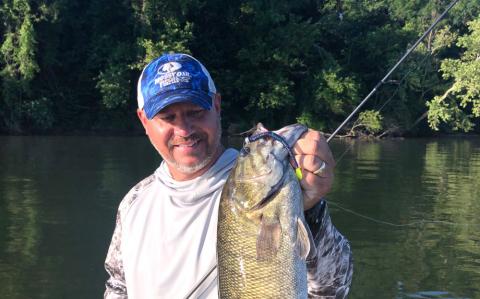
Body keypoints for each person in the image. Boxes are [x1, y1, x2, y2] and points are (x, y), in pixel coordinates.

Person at [104, 53, 353, 298]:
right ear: (144, 120)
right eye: (167, 117)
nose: (183, 130)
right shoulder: (134, 203)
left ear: (217, 105)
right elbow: (118, 287)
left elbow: (331, 290)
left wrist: (309, 211)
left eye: (195, 112)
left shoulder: (274, 185)